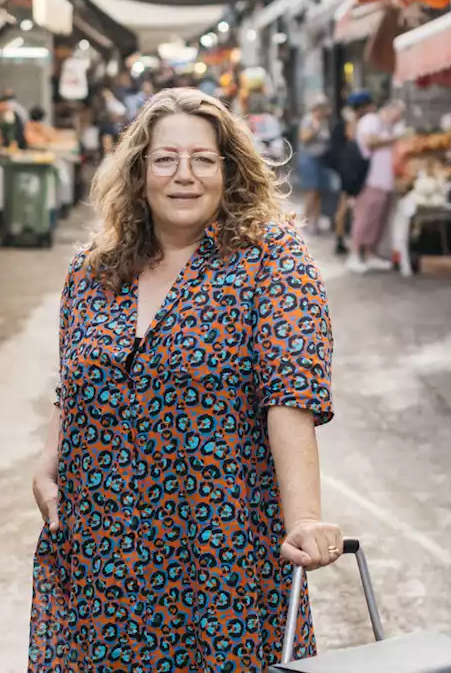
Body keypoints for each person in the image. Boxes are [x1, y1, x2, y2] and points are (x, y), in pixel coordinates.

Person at [30, 87, 342, 669]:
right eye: (166, 158)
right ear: (140, 170)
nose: (184, 175)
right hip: (101, 550)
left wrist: (302, 517)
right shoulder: (93, 268)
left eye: (203, 159)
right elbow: (73, 378)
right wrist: (49, 461)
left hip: (220, 551)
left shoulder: (272, 260)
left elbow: (290, 399)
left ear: (229, 171)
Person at [348, 98, 404, 273]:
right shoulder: (371, 121)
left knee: (377, 220)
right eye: (398, 114)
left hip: (384, 182)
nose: (398, 119)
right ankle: (355, 254)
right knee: (364, 218)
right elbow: (369, 141)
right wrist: (395, 138)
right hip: (370, 180)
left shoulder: (387, 126)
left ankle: (370, 253)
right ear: (390, 109)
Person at [325, 91, 373, 257]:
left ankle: (343, 238)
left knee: (345, 204)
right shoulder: (350, 121)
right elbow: (352, 139)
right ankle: (340, 238)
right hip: (347, 169)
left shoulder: (348, 120)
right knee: (344, 204)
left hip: (347, 168)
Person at [296, 94, 335, 234]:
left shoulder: (323, 122)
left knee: (319, 192)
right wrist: (314, 129)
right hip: (309, 159)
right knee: (312, 191)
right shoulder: (308, 120)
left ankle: (316, 222)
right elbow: (303, 137)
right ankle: (305, 221)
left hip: (321, 159)